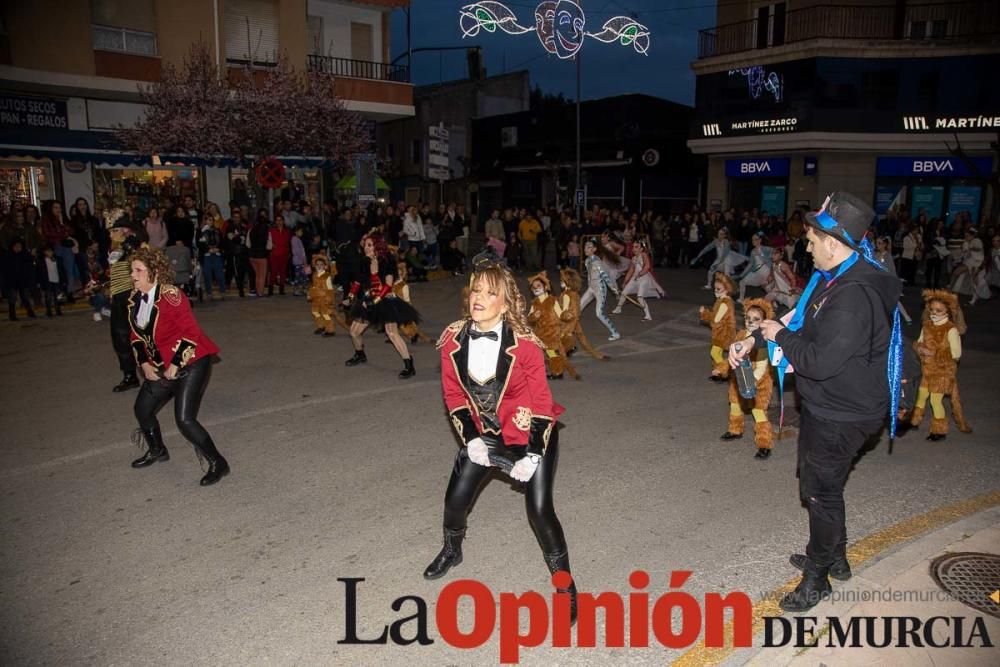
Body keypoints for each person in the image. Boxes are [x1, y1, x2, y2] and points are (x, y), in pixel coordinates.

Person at [728, 191, 902, 612]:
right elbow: (801, 319)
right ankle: (835, 556)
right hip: (834, 407)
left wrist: (778, 337)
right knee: (824, 486)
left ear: (832, 242)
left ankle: (817, 578)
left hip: (842, 413)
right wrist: (755, 335)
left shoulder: (852, 297)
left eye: (810, 238)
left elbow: (818, 360)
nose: (805, 245)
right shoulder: (838, 277)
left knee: (820, 492)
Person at [424, 247, 577, 623]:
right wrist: (472, 439)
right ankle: (452, 549)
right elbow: (454, 395)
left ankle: (565, 585)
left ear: (506, 303)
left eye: (491, 293)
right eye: (476, 290)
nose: (480, 298)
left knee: (540, 511)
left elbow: (542, 404)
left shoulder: (525, 345)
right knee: (455, 500)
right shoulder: (451, 341)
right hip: (486, 434)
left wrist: (532, 456)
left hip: (529, 436)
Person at [127, 247, 229, 486]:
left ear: (154, 272)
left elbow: (191, 332)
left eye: (138, 270)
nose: (133, 274)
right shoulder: (135, 300)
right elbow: (136, 336)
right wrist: (144, 363)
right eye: (132, 270)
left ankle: (218, 463)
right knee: (142, 408)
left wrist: (175, 364)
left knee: (184, 419)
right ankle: (157, 450)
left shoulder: (172, 295)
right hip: (160, 365)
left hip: (191, 361)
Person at [342, 233, 420, 378]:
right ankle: (360, 354)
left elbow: (389, 284)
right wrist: (350, 297)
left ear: (377, 246)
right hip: (368, 300)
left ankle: (409, 365)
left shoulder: (387, 260)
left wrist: (375, 301)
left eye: (369, 245)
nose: (366, 248)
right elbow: (358, 282)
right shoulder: (364, 261)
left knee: (392, 333)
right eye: (365, 245)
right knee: (353, 332)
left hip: (386, 300)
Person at [906, 290, 971, 441]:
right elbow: (919, 342)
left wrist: (934, 353)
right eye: (932, 309)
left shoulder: (951, 330)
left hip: (942, 372)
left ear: (948, 311)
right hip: (926, 370)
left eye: (939, 310)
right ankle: (914, 421)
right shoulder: (927, 325)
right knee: (921, 396)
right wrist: (919, 348)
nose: (934, 312)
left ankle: (939, 431)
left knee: (935, 400)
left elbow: (956, 354)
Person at [719, 299, 774, 459]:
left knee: (758, 411)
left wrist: (750, 381)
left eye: (756, 319)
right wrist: (722, 368)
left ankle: (764, 444)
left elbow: (762, 366)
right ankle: (735, 430)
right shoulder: (742, 334)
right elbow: (733, 355)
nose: (750, 321)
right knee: (735, 404)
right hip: (740, 377)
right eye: (748, 318)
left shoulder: (764, 339)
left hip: (759, 381)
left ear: (764, 322)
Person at [108, 219, 145, 392]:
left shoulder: (136, 246)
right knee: (120, 338)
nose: (111, 234)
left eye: (114, 230)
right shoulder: (115, 249)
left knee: (145, 337)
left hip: (134, 296)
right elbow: (113, 272)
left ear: (125, 230)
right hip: (118, 298)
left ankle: (163, 373)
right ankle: (130, 376)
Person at [580, 238, 621, 341]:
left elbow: (605, 276)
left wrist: (613, 289)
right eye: (585, 246)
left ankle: (615, 333)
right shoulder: (587, 260)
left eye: (589, 247)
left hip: (600, 289)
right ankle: (570, 329)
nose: (586, 249)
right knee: (578, 308)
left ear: (594, 249)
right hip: (591, 288)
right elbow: (589, 276)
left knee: (599, 313)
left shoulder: (596, 262)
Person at [612, 239, 664, 321]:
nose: (634, 249)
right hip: (635, 278)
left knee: (640, 297)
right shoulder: (633, 258)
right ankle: (618, 309)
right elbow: (630, 271)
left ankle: (648, 315)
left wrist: (640, 274)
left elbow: (647, 266)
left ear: (641, 249)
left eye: (636, 247)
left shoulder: (644, 255)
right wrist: (625, 282)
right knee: (624, 293)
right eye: (633, 247)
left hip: (644, 279)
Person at [700, 272, 737, 381]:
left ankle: (725, 371)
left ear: (726, 289)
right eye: (715, 288)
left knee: (715, 352)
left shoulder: (724, 303)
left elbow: (716, 319)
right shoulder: (723, 300)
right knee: (718, 352)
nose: (715, 291)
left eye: (718, 289)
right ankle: (719, 373)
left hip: (723, 332)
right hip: (723, 331)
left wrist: (704, 313)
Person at [307, 254, 343, 337]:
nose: (319, 266)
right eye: (317, 265)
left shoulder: (326, 277)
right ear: (314, 266)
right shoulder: (314, 275)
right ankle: (321, 326)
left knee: (326, 314)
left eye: (321, 265)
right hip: (316, 298)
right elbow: (313, 286)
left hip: (324, 299)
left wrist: (329, 299)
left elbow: (330, 289)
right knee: (315, 312)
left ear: (325, 266)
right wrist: (310, 294)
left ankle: (330, 330)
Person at [1, 238, 38, 320]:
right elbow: (4, 269)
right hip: (12, 280)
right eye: (16, 246)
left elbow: (30, 267)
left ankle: (30, 312)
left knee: (25, 297)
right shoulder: (7, 255)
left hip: (23, 280)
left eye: (19, 246)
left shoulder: (25, 255)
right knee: (12, 298)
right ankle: (12, 315)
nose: (18, 248)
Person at [736, 232, 771, 300]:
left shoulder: (766, 249)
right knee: (742, 282)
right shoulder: (753, 251)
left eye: (755, 239)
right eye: (752, 240)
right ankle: (741, 299)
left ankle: (775, 303)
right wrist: (742, 274)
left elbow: (773, 258)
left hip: (766, 272)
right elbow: (750, 264)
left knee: (767, 288)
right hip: (757, 272)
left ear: (760, 240)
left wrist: (771, 274)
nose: (753, 241)